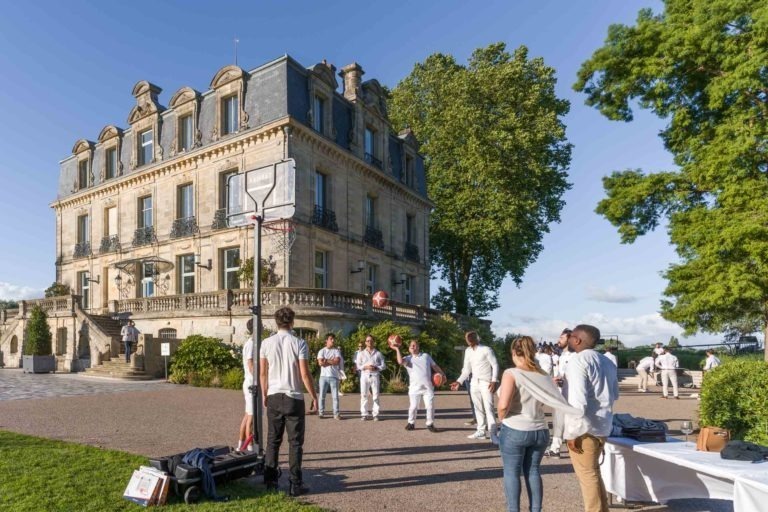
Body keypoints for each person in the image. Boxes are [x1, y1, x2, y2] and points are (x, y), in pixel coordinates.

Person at [497, 336, 585, 512]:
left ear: (514, 352)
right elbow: (547, 400)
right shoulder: (543, 375)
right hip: (540, 430)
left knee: (512, 473)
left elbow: (504, 405)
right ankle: (536, 509)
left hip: (516, 428)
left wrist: (501, 418)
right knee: (533, 471)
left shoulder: (511, 373)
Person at [259, 307, 318, 496]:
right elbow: (304, 374)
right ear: (292, 322)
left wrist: (264, 393)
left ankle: (270, 482)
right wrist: (314, 396)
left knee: (272, 441)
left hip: (274, 394)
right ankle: (295, 483)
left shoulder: (266, 343)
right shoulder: (299, 343)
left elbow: (262, 373)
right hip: (294, 397)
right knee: (295, 443)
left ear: (276, 322)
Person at [563, 324, 619, 512]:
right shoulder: (607, 361)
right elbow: (615, 394)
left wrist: (572, 432)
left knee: (587, 475)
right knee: (593, 473)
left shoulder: (578, 360)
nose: (569, 339)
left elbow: (577, 402)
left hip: (584, 427)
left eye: (570, 336)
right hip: (603, 423)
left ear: (577, 340)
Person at [450, 331, 500, 441]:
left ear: (477, 338)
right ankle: (481, 431)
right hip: (474, 382)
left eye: (471, 336)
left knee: (489, 408)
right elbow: (466, 369)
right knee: (478, 408)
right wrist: (459, 381)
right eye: (467, 337)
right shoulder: (468, 351)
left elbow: (495, 365)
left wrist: (494, 380)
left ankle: (493, 434)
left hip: (486, 382)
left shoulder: (486, 349)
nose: (468, 338)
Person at [394, 340, 446, 432]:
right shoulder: (408, 358)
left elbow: (435, 366)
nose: (412, 347)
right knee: (413, 407)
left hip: (428, 387)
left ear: (418, 347)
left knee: (430, 406)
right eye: (411, 346)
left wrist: (443, 375)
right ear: (409, 349)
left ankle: (430, 424)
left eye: (414, 345)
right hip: (414, 388)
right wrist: (397, 349)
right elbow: (399, 362)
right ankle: (411, 423)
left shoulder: (426, 356)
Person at [544, 328, 574, 458]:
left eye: (561, 338)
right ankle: (555, 448)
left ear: (570, 339)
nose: (558, 340)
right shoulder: (562, 355)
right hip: (561, 393)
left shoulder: (575, 356)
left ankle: (570, 447)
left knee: (571, 422)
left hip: (572, 395)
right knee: (558, 421)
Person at [356, 334, 385, 421]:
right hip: (364, 375)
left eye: (371, 341)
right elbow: (358, 365)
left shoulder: (378, 353)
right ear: (365, 342)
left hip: (375, 375)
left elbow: (383, 365)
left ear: (373, 342)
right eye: (368, 341)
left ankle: (375, 414)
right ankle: (364, 414)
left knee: (375, 395)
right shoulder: (361, 353)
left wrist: (376, 367)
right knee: (364, 395)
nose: (369, 342)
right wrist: (365, 367)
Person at [316, 333, 344, 419]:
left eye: (333, 339)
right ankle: (321, 412)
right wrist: (331, 361)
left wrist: (326, 361)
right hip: (323, 376)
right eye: (331, 339)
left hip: (334, 376)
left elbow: (337, 362)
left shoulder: (336, 351)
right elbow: (321, 363)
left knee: (335, 396)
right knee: (322, 395)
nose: (333, 340)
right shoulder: (322, 351)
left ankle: (336, 413)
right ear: (326, 340)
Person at [237, 319, 255, 451]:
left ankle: (240, 445)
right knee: (251, 417)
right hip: (251, 383)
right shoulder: (251, 344)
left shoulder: (253, 343)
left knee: (247, 415)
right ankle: (250, 448)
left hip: (248, 382)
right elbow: (250, 365)